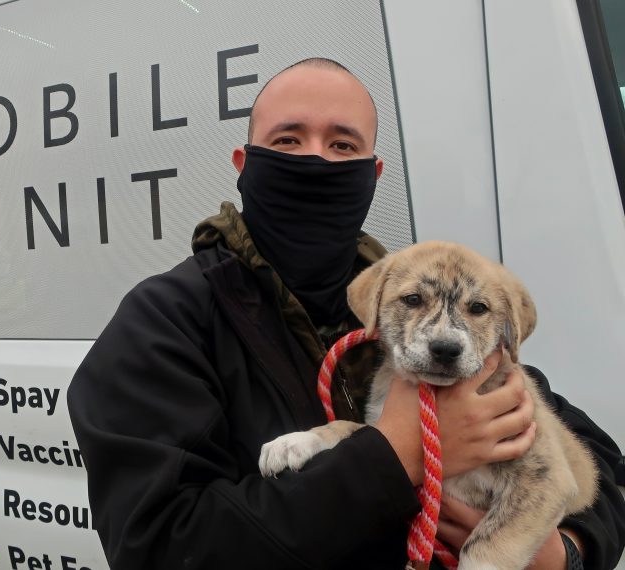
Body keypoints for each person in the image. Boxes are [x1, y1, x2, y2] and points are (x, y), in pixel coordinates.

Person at [67, 58, 625, 569]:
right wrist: (393, 454)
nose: (314, 160)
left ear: (373, 174)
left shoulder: (413, 295)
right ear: (243, 164)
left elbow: (599, 463)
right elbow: (158, 547)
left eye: (341, 146)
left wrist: (566, 554)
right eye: (287, 141)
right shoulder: (164, 321)